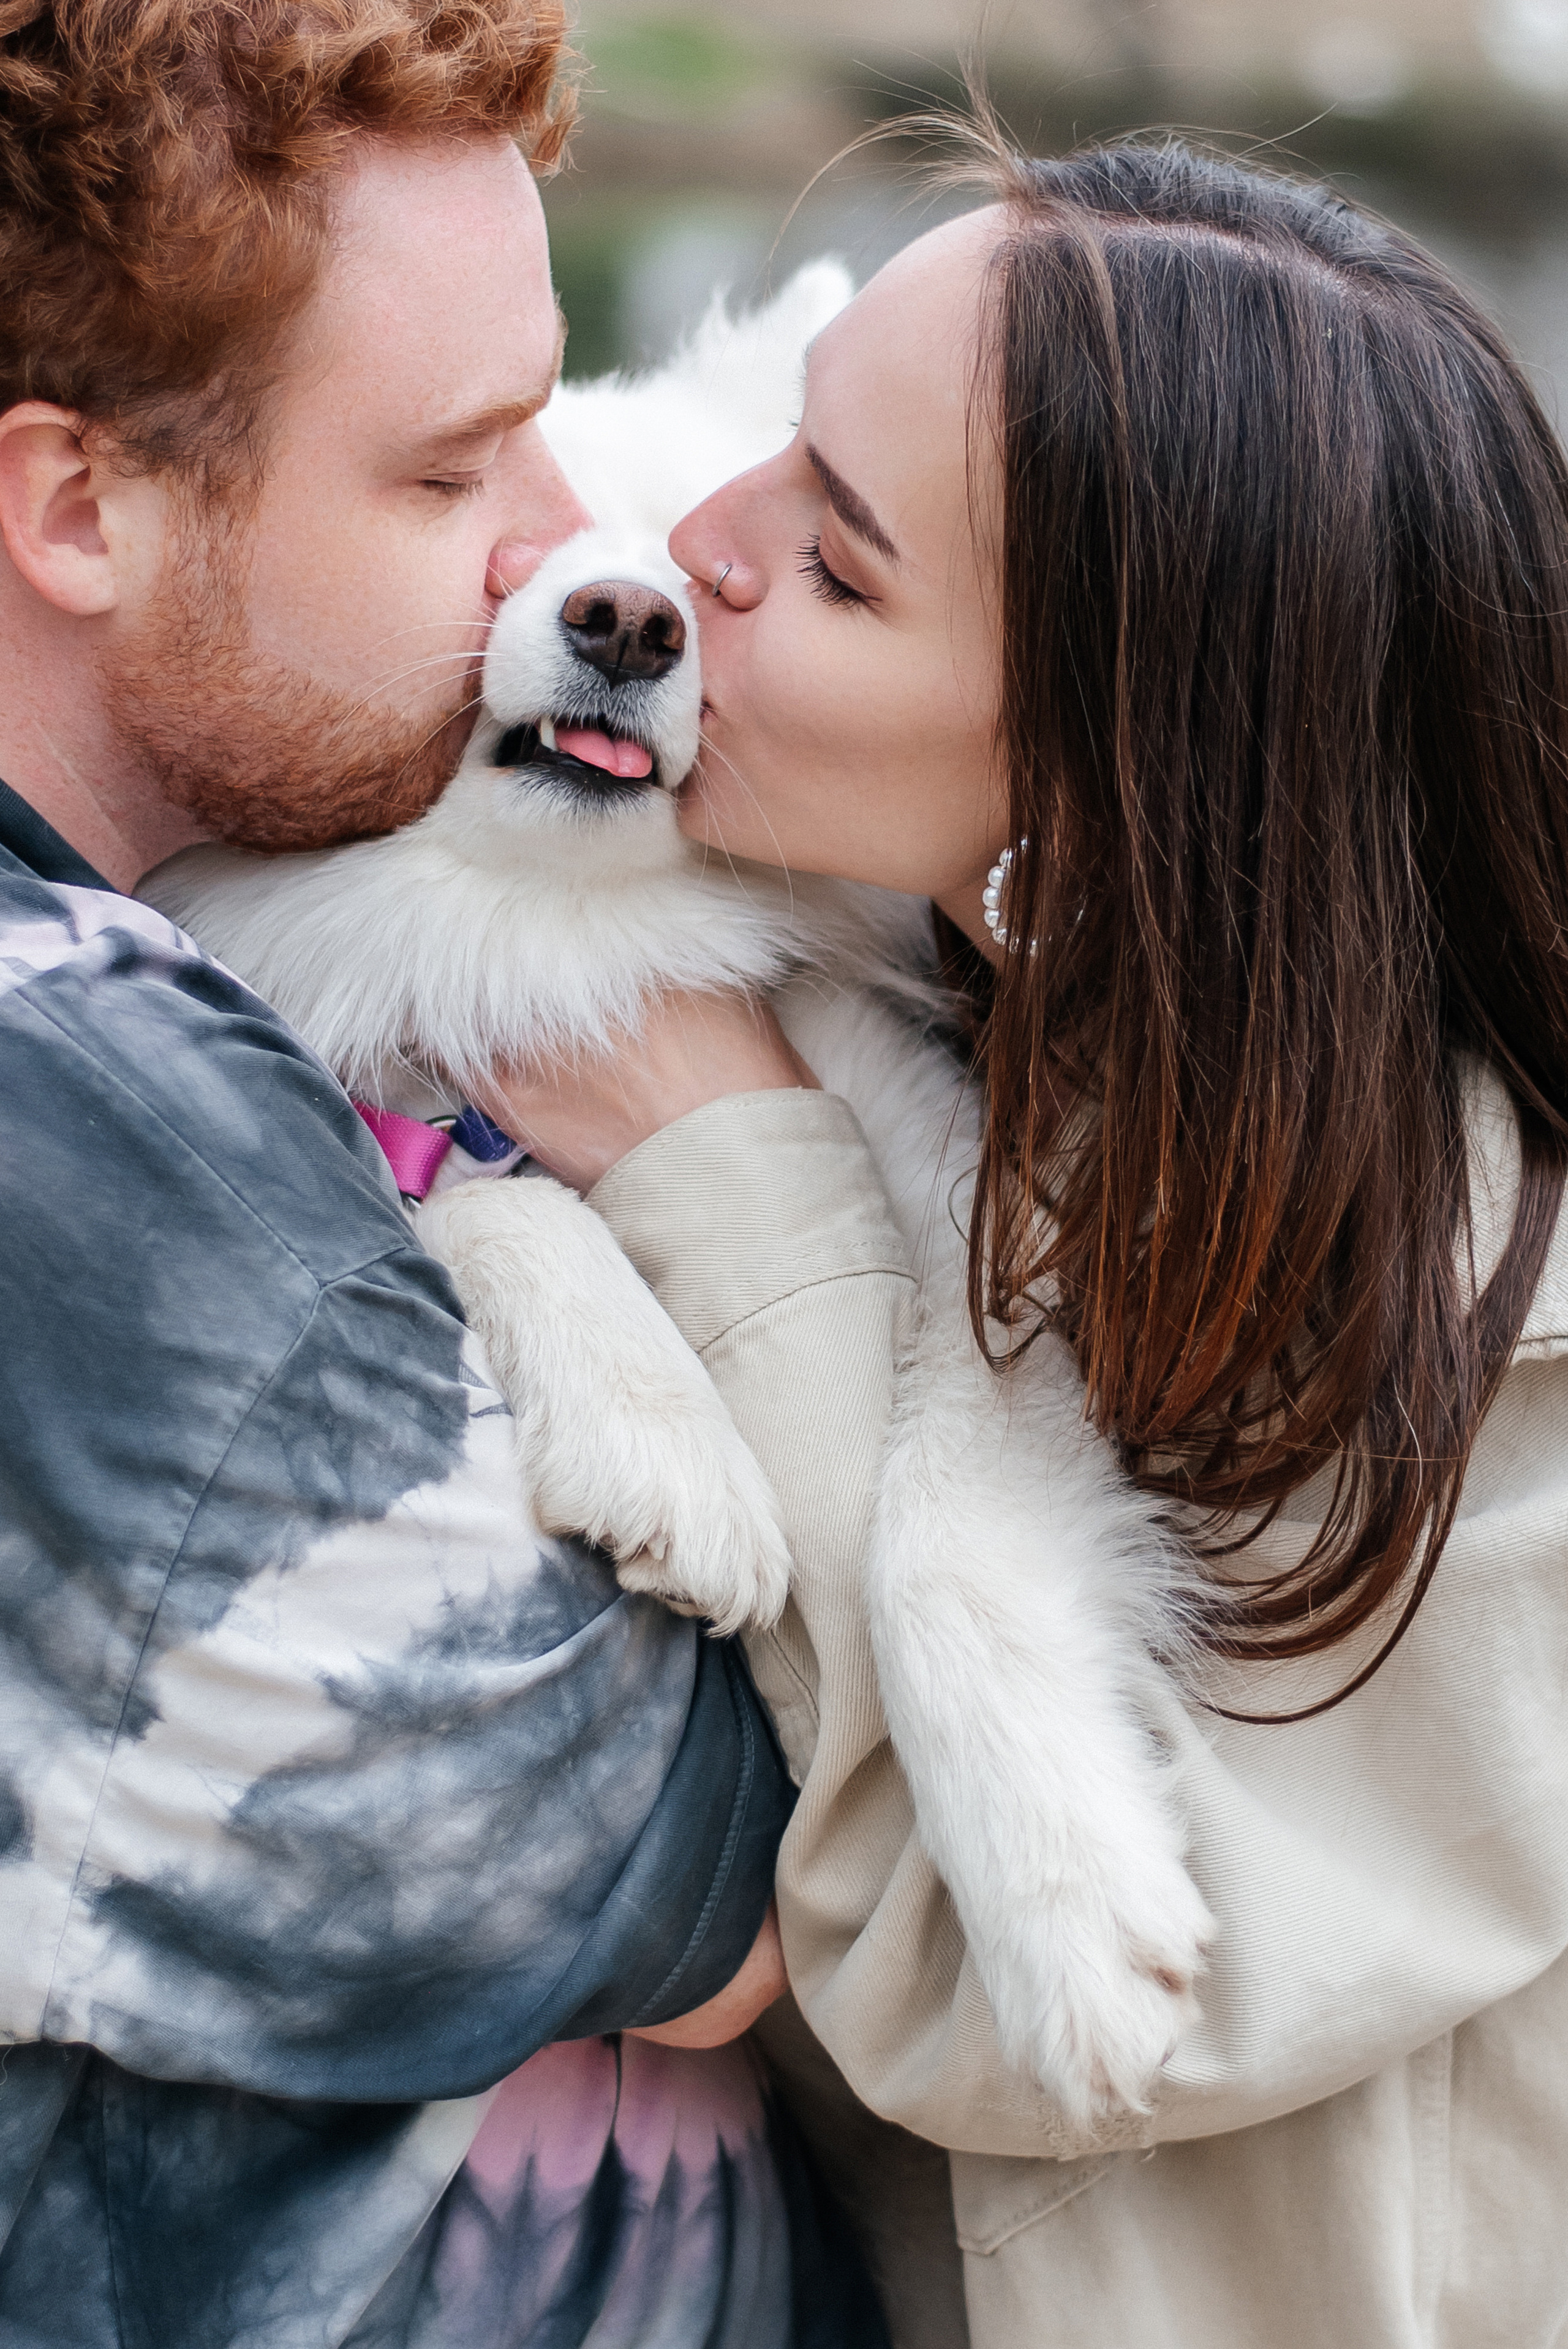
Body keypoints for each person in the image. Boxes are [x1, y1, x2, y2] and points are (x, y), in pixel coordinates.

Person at [496, 134, 1568, 2347]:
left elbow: (1052, 2011)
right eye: (789, 441)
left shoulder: (1521, 1342)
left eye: (837, 554)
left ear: (1096, 786)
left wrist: (738, 1177)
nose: (698, 543)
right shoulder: (976, 1027)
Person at [0, 5, 891, 2343]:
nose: (569, 542)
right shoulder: (110, 1182)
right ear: (80, 511)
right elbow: (806, 1891)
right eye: (450, 470)